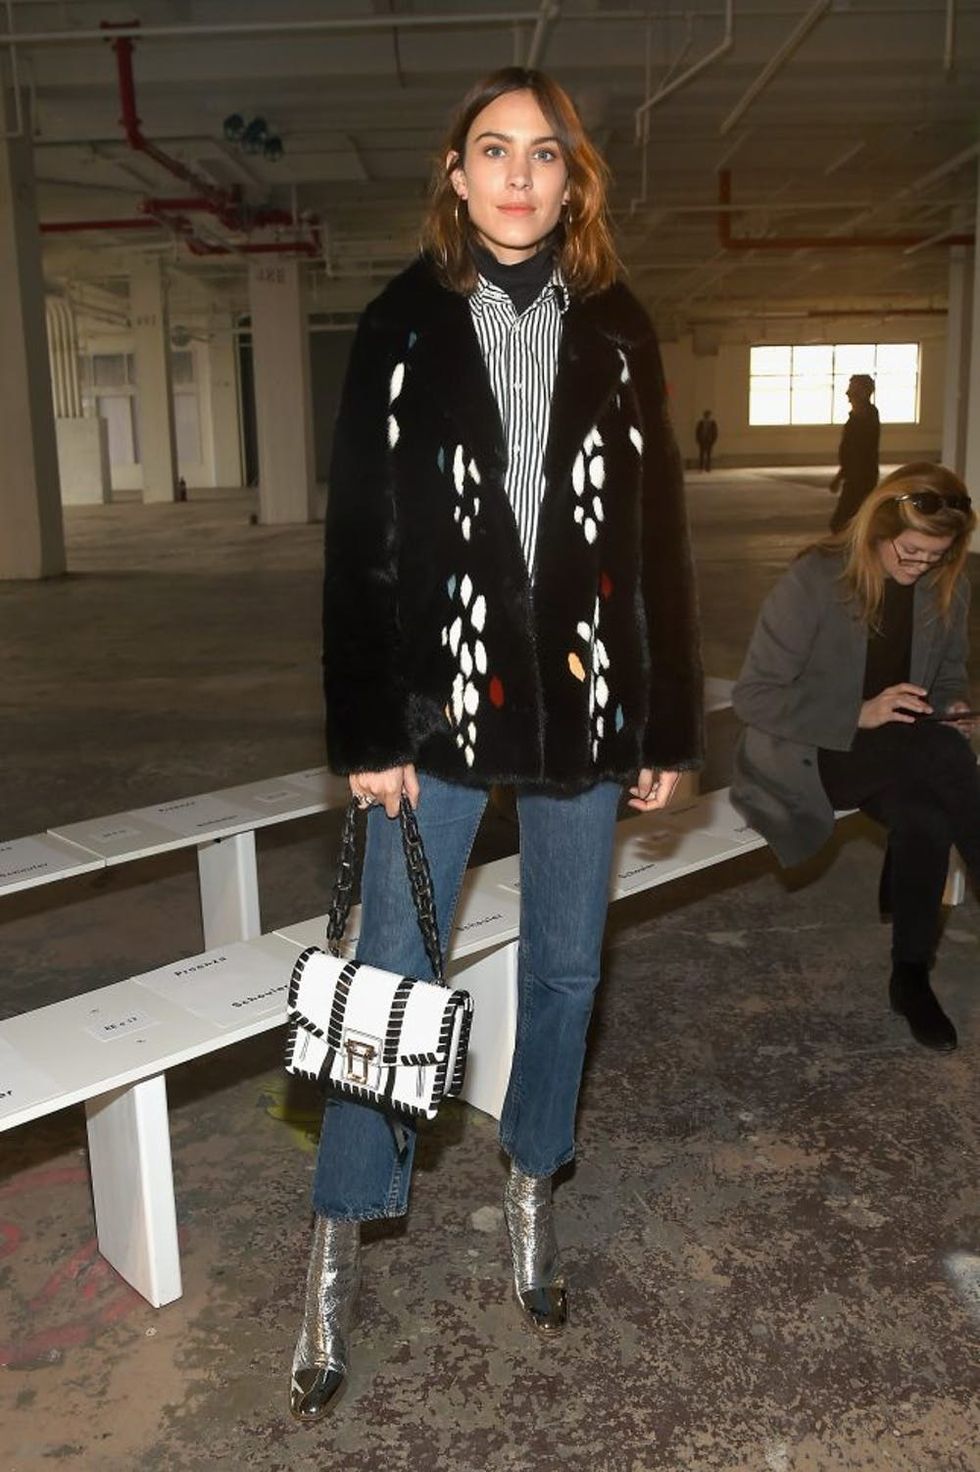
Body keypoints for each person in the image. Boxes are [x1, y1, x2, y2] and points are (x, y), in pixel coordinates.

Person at [289, 66, 703, 1422]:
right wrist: (366, 727)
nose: (518, 175)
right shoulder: (402, 326)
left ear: (571, 179)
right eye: (492, 150)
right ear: (455, 176)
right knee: (391, 976)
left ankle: (534, 1186)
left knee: (572, 971)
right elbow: (361, 547)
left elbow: (657, 546)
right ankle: (339, 1244)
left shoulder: (625, 329)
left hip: (587, 706)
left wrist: (667, 720)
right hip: (441, 708)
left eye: (543, 154)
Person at [732, 462, 976, 1055]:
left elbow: (945, 678)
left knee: (928, 816)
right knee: (942, 754)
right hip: (812, 753)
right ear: (878, 528)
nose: (919, 567)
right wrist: (857, 712)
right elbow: (755, 695)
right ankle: (911, 976)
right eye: (910, 552)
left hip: (902, 751)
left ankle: (909, 976)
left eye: (935, 557)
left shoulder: (946, 583)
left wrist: (957, 704)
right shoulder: (817, 579)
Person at [829, 373, 880, 531]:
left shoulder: (865, 418)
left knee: (842, 523)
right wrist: (841, 475)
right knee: (846, 522)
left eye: (852, 389)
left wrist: (845, 476)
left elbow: (860, 453)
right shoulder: (859, 417)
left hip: (860, 480)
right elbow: (852, 452)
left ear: (864, 392)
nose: (848, 394)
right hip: (855, 477)